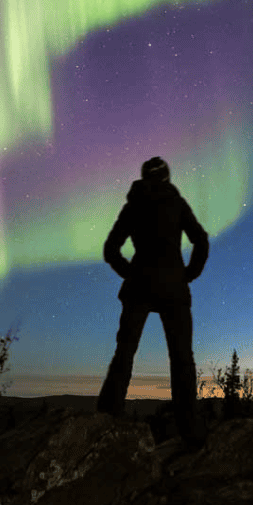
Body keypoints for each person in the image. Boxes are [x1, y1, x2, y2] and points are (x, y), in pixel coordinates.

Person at [96, 156, 209, 449]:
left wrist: (131, 273)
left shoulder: (133, 206)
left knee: (125, 353)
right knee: (182, 359)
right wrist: (188, 275)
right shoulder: (176, 203)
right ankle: (191, 433)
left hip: (140, 287)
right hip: (174, 288)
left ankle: (105, 420)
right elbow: (201, 240)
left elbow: (111, 250)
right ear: (167, 177)